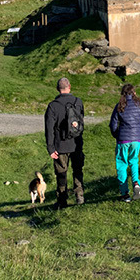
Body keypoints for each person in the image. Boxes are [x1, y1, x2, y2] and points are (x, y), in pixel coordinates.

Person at [44, 77, 85, 208]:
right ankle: (80, 195)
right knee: (78, 169)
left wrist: (51, 148)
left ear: (57, 89)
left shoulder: (53, 106)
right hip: (76, 143)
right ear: (70, 87)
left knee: (61, 173)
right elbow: (81, 121)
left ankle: (62, 200)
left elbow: (49, 128)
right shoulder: (78, 102)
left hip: (60, 145)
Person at [109, 83, 140, 202]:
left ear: (122, 94)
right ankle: (136, 182)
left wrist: (117, 136)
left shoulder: (119, 106)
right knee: (133, 160)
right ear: (134, 93)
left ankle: (125, 194)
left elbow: (113, 125)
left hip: (123, 139)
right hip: (137, 139)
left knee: (122, 163)